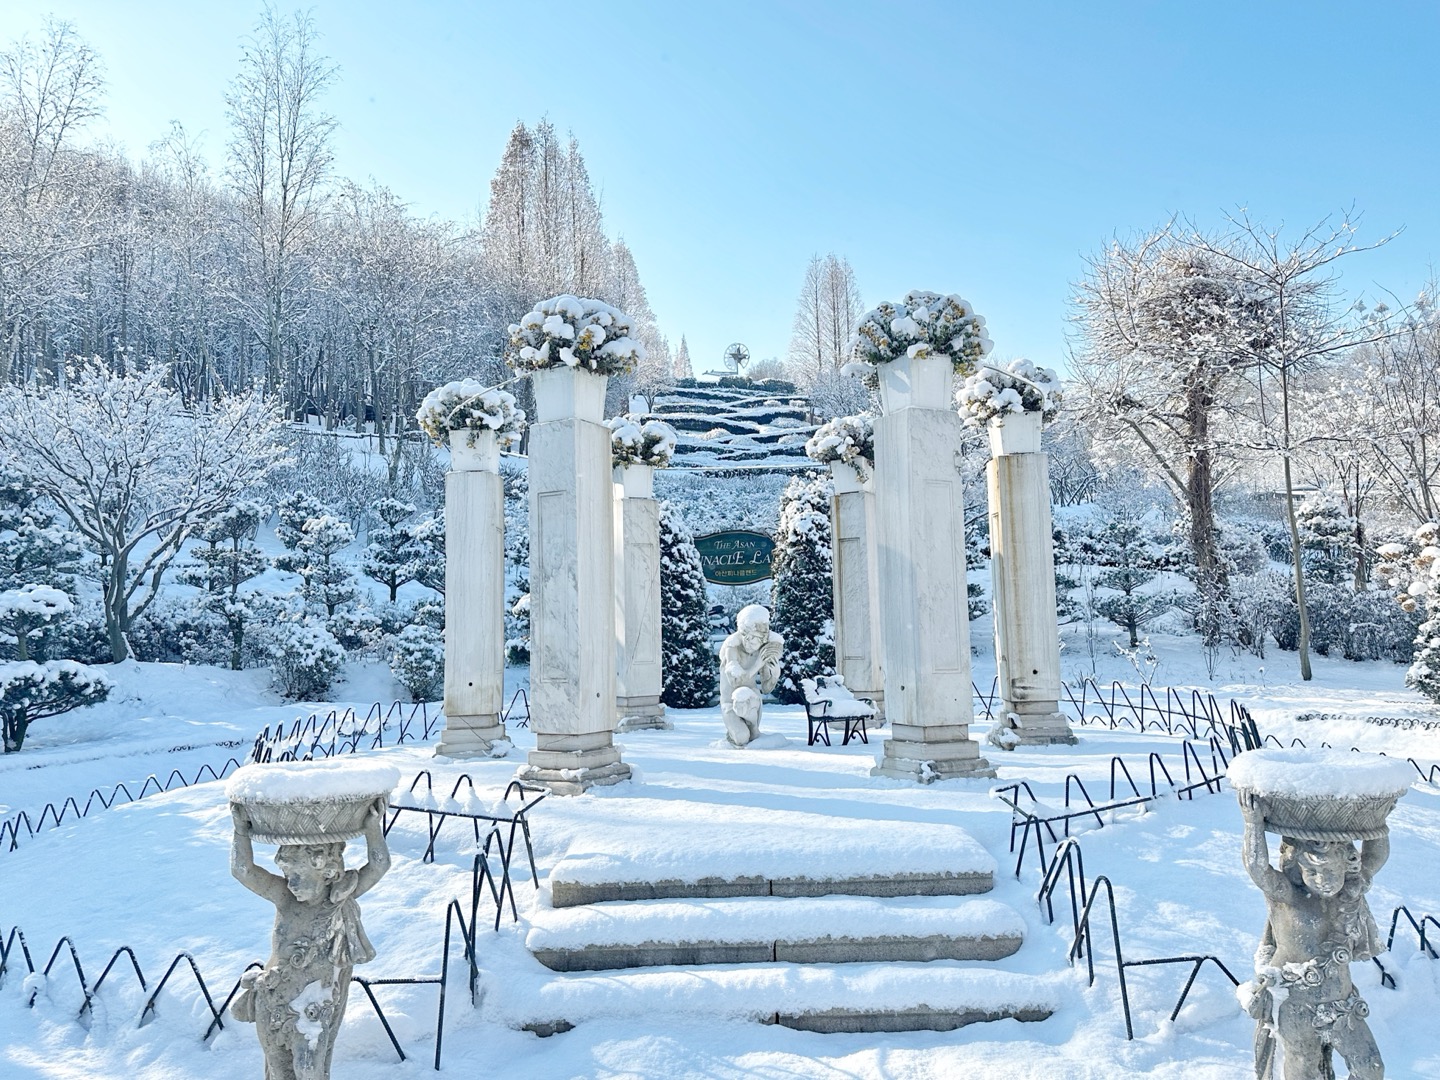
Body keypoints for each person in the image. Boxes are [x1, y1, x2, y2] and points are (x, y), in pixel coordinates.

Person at [230, 799, 390, 1080]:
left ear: (327, 872)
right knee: (279, 1071)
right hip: (274, 998)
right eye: (288, 875)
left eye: (299, 876)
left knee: (308, 1071)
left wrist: (372, 830)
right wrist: (241, 832)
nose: (291, 884)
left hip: (312, 1006)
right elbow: (242, 870)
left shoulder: (340, 899)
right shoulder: (284, 898)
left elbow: (379, 866)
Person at [1239, 794, 1387, 1080]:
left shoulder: (1348, 895)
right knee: (1302, 1070)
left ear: (1346, 866)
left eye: (1331, 871)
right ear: (1298, 869)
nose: (1324, 880)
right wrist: (1252, 823)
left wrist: (1378, 822)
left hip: (1342, 1003)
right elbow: (1257, 868)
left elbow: (1375, 856)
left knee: (1371, 1068)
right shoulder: (1287, 898)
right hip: (1295, 1004)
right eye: (1314, 872)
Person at [718, 604, 783, 746]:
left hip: (751, 699)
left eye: (758, 639)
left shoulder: (761, 649)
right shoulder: (732, 646)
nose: (751, 642)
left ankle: (753, 727)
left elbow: (766, 689)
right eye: (748, 637)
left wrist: (775, 674)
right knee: (741, 738)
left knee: (753, 736)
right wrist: (758, 664)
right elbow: (736, 681)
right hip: (730, 702)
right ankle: (736, 732)